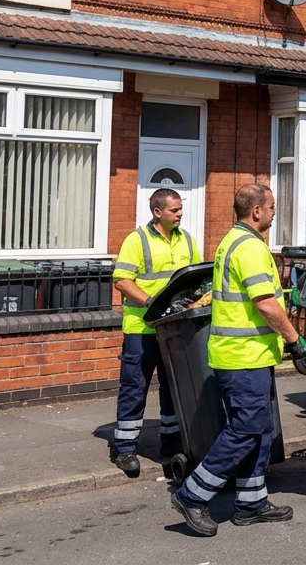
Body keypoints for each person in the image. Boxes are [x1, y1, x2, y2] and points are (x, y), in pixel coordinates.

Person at [171, 183, 306, 537]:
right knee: (246, 430)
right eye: (273, 206)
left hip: (246, 355)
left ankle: (251, 501)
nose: (275, 212)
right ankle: (193, 494)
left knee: (260, 429)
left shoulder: (232, 240)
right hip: (242, 358)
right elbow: (265, 303)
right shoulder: (249, 247)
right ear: (256, 211)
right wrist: (296, 342)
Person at [111, 188, 200, 477]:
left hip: (174, 325)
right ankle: (124, 449)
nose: (180, 214)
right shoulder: (136, 240)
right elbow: (123, 281)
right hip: (142, 328)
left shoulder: (186, 239)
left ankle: (171, 442)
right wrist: (153, 302)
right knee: (135, 387)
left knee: (173, 386)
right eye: (174, 210)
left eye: (180, 209)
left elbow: (195, 276)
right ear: (157, 212)